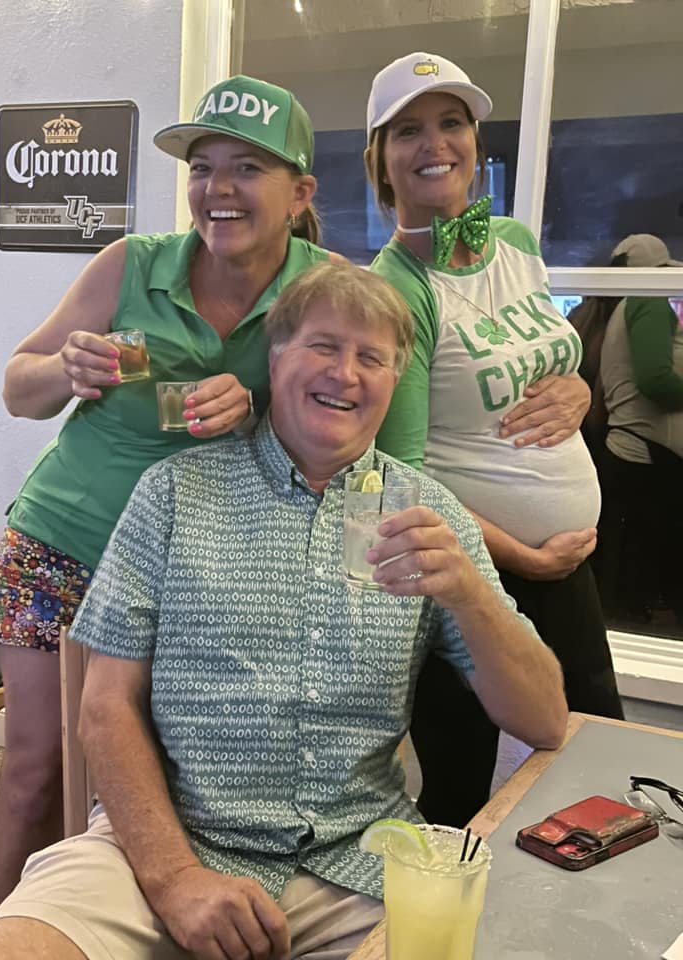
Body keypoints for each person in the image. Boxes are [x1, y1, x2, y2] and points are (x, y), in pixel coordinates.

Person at [0, 262, 568, 960]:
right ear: (275, 358)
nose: (345, 373)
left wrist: (470, 596)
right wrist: (177, 879)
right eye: (323, 345)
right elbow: (104, 707)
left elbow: (545, 717)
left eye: (371, 357)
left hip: (362, 864)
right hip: (164, 848)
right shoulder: (172, 492)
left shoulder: (430, 516)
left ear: (394, 379)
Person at [0, 73, 339, 923]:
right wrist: (65, 367)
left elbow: (345, 426)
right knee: (36, 769)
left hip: (193, 573)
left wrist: (260, 414)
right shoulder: (131, 264)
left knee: (159, 787)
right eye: (202, 165)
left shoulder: (321, 289)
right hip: (64, 542)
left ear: (300, 193)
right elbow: (15, 389)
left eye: (246, 167)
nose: (218, 188)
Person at [364, 51, 623, 826]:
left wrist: (580, 388)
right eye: (406, 129)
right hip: (476, 568)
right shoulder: (397, 287)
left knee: (596, 748)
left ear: (476, 141)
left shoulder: (512, 239)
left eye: (450, 122)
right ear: (379, 158)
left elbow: (544, 355)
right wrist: (521, 556)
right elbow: (399, 471)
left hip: (563, 565)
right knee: (458, 782)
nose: (433, 142)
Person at [596, 234, 683, 624]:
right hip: (649, 452)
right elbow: (656, 380)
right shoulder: (650, 297)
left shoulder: (621, 305)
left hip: (635, 448)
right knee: (643, 580)